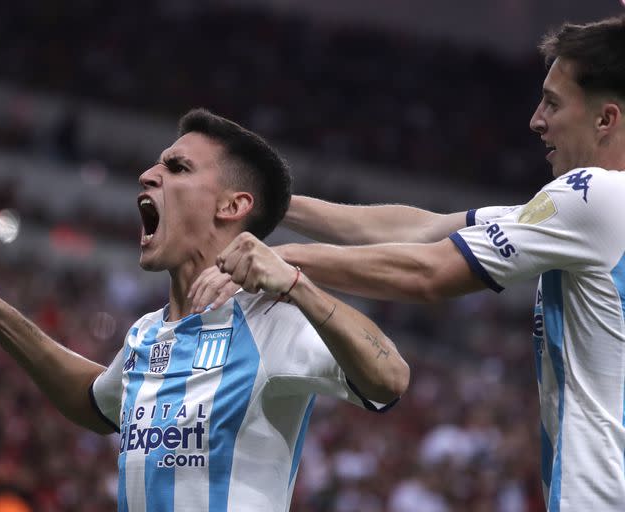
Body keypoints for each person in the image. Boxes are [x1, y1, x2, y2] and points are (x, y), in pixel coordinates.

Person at [189, 15, 625, 511]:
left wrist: (282, 263)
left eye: (552, 101)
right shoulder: (593, 212)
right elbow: (420, 229)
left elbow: (430, 272)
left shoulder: (594, 197)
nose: (535, 119)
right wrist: (266, 205)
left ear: (605, 119)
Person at [0, 109, 409, 512]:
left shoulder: (273, 319)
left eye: (178, 167)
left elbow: (390, 378)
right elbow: (93, 403)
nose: (148, 174)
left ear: (232, 205)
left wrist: (299, 285)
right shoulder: (147, 334)